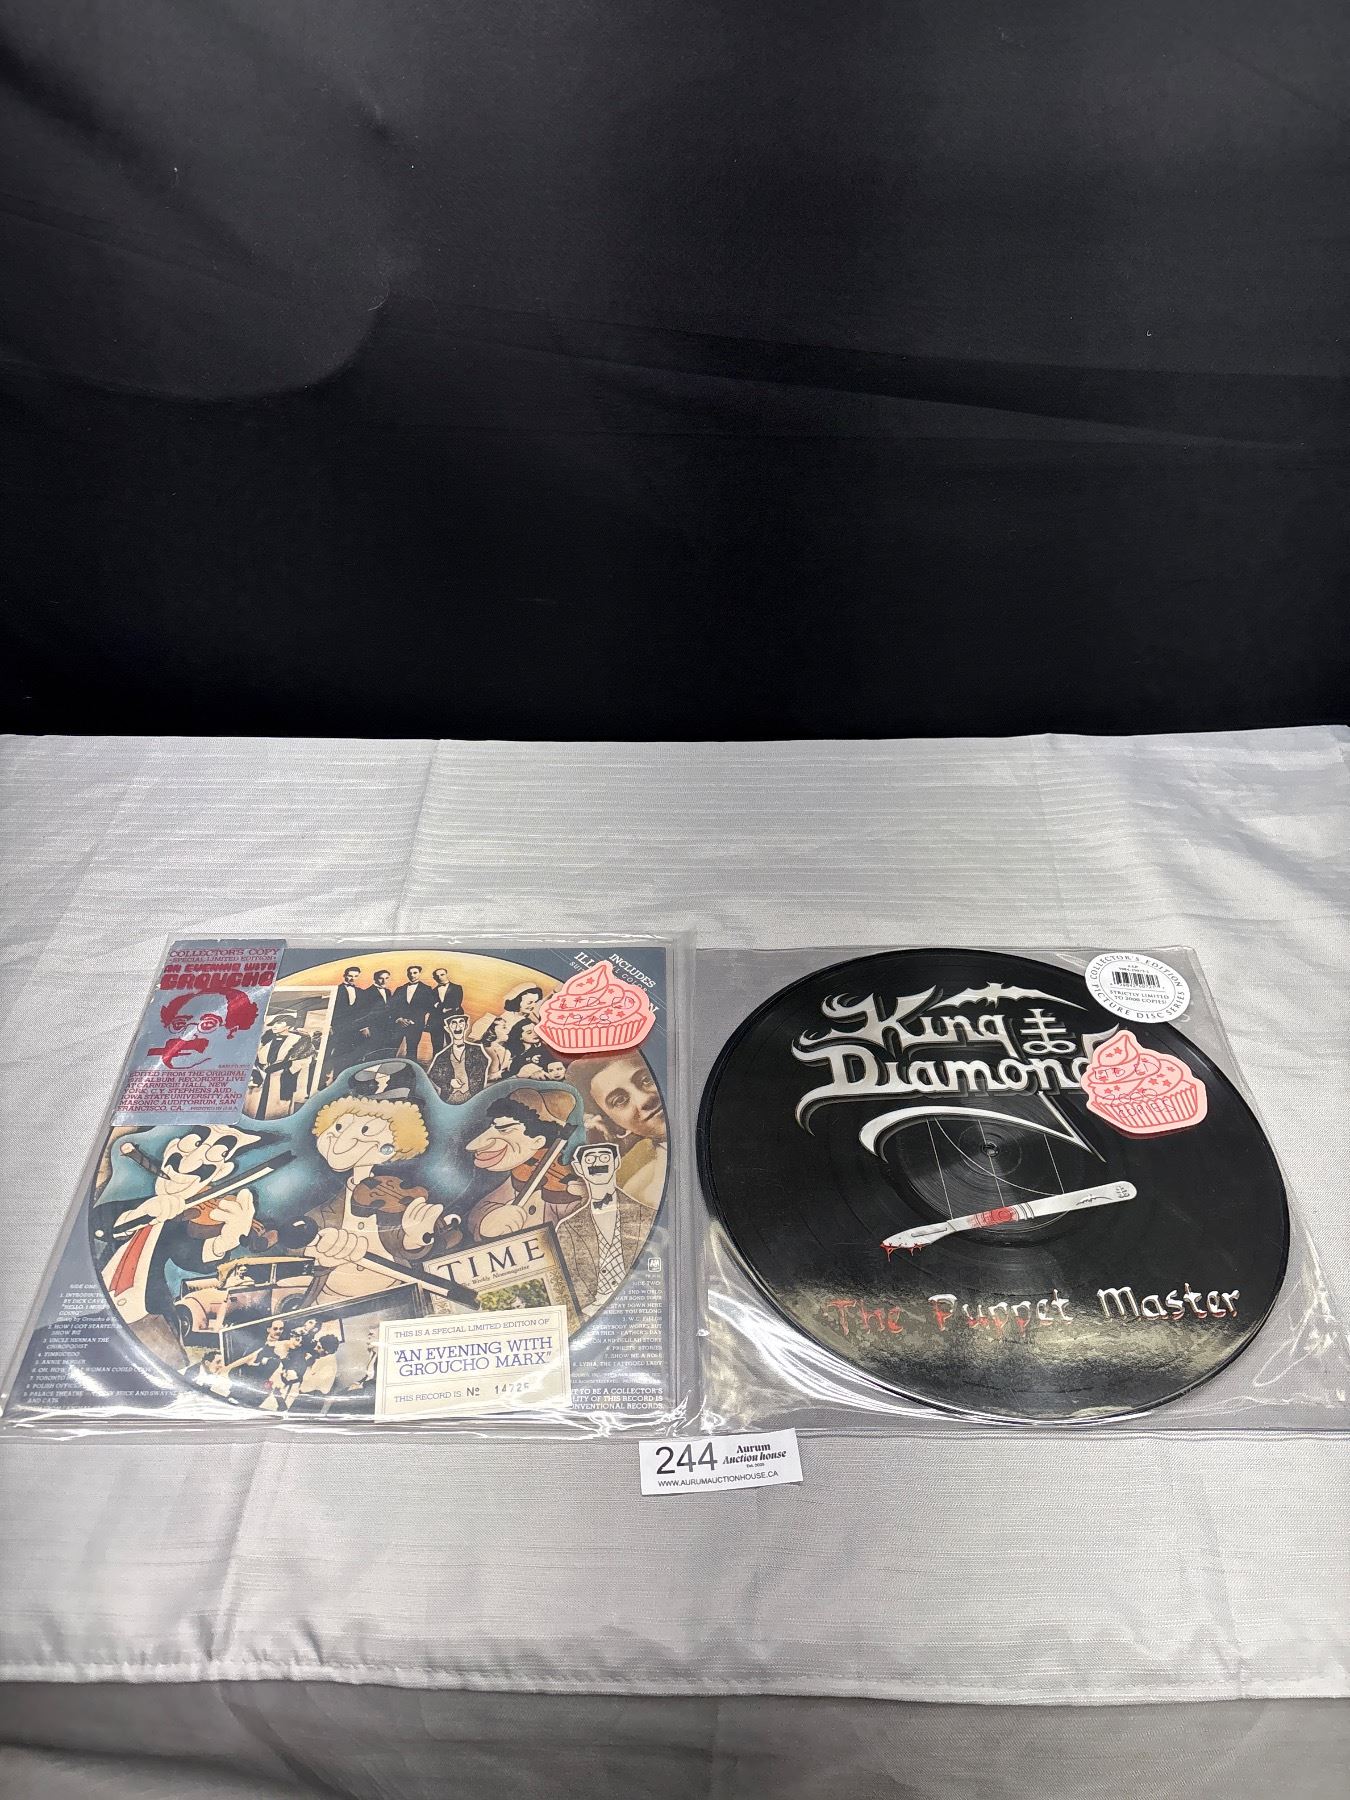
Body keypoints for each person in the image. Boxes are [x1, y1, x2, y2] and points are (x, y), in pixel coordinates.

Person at [462, 1089, 583, 1240]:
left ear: (538, 1141)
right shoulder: (521, 1172)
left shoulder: (563, 1187)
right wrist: (487, 1224)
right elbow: (481, 1210)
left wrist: (589, 1199)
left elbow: (580, 1230)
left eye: (504, 1129)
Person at [555, 1141, 655, 1316]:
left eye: (604, 1157)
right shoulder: (567, 1228)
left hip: (641, 1309)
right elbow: (567, 1284)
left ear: (616, 1162)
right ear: (578, 1168)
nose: (597, 1163)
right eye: (590, 1159)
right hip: (591, 1314)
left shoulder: (647, 1217)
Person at [573, 1052, 667, 1210]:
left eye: (647, 1079)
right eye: (620, 1100)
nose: (645, 1099)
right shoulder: (639, 1195)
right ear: (614, 1126)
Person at [326, 966, 376, 1082]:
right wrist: (330, 1026)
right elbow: (331, 1009)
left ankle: (350, 1081)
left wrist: (364, 1027)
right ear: (344, 976)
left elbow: (364, 1011)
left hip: (356, 1029)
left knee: (354, 1055)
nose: (353, 978)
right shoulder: (336, 990)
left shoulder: (361, 992)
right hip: (339, 1029)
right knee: (339, 1055)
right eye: (350, 976)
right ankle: (337, 1081)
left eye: (355, 976)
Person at [429, 1010, 490, 1103]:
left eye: (461, 1022)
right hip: (449, 1099)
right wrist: (449, 1082)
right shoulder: (441, 1056)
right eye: (453, 1023)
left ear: (466, 1026)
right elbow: (433, 1076)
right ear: (447, 1028)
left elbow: (480, 1076)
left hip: (472, 1099)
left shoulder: (477, 1051)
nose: (458, 1027)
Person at [391, 965, 434, 1062]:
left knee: (412, 1050)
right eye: (410, 973)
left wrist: (413, 1020)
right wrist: (399, 1019)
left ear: (419, 974)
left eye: (415, 973)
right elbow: (392, 1007)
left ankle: (409, 1070)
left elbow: (429, 1007)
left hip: (415, 1024)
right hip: (399, 1023)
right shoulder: (400, 989)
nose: (412, 975)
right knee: (392, 1048)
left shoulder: (427, 989)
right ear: (407, 974)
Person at [426, 968, 465, 1058]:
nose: (440, 977)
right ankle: (437, 1064)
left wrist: (439, 1007)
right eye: (437, 976)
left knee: (453, 1043)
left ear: (446, 974)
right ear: (434, 978)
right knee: (436, 1045)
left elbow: (456, 1004)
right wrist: (442, 1009)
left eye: (442, 974)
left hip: (452, 1020)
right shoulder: (432, 991)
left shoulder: (457, 988)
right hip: (436, 1021)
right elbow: (431, 1006)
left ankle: (453, 1063)